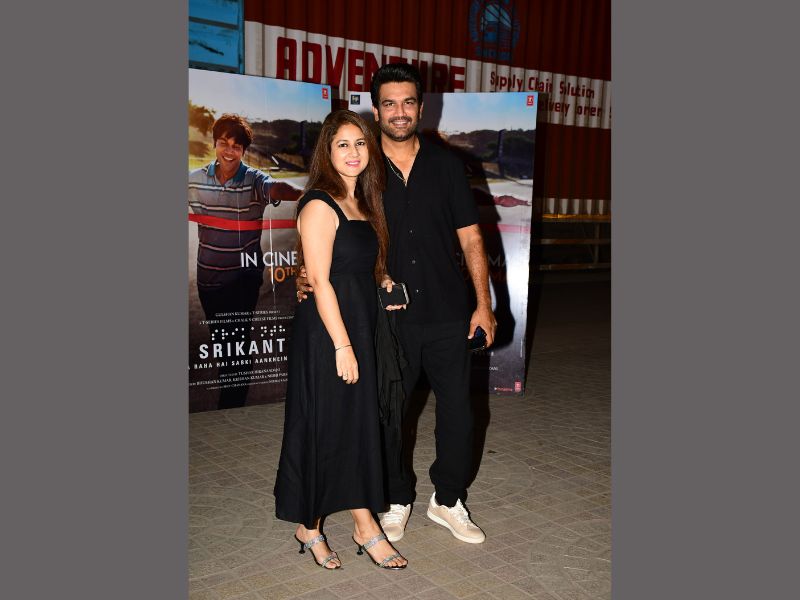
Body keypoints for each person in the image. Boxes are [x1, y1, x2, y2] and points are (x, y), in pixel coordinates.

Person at [298, 64, 497, 544]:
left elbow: (472, 240)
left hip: (449, 311)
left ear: (421, 108)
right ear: (376, 109)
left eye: (408, 102)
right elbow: (334, 232)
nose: (399, 111)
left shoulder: (447, 166)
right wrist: (310, 273)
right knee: (389, 411)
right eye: (389, 103)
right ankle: (395, 498)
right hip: (387, 317)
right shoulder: (362, 169)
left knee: (459, 411)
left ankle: (448, 499)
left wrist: (483, 304)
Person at [274, 110, 408, 570]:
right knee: (323, 424)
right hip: (327, 333)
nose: (353, 153)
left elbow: (359, 266)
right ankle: (316, 526)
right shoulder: (318, 204)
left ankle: (356, 524)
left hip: (359, 327)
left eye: (360, 143)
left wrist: (384, 281)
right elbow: (320, 281)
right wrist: (342, 345)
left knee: (354, 425)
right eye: (342, 144)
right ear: (327, 153)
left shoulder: (364, 202)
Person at [189, 114, 301, 409]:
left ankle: (232, 406)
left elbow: (277, 188)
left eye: (236, 146)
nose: (229, 151)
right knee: (222, 342)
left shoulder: (254, 179)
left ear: (243, 150)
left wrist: (305, 194)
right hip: (208, 279)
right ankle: (231, 398)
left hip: (243, 279)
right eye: (223, 143)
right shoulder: (195, 180)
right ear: (214, 143)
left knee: (236, 341)